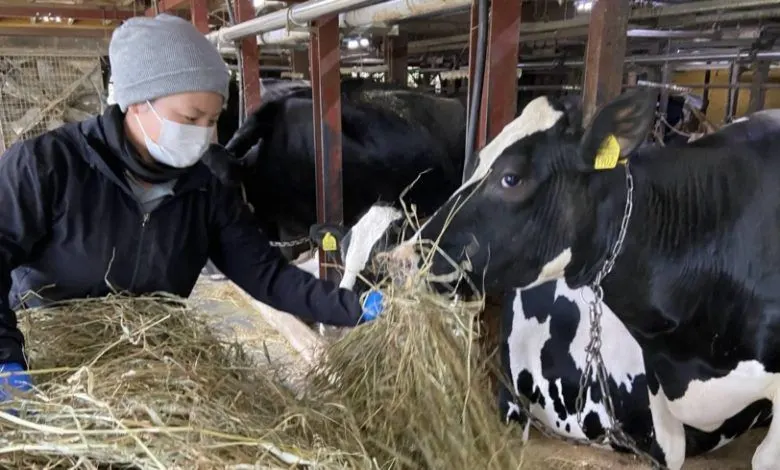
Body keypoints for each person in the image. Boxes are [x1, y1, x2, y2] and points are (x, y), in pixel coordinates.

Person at [0, 14, 385, 397]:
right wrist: (5, 357)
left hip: (149, 366)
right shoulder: (45, 166)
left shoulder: (207, 186)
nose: (203, 132)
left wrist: (352, 307)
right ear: (137, 103)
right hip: (52, 363)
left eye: (212, 119)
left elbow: (267, 277)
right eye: (190, 117)